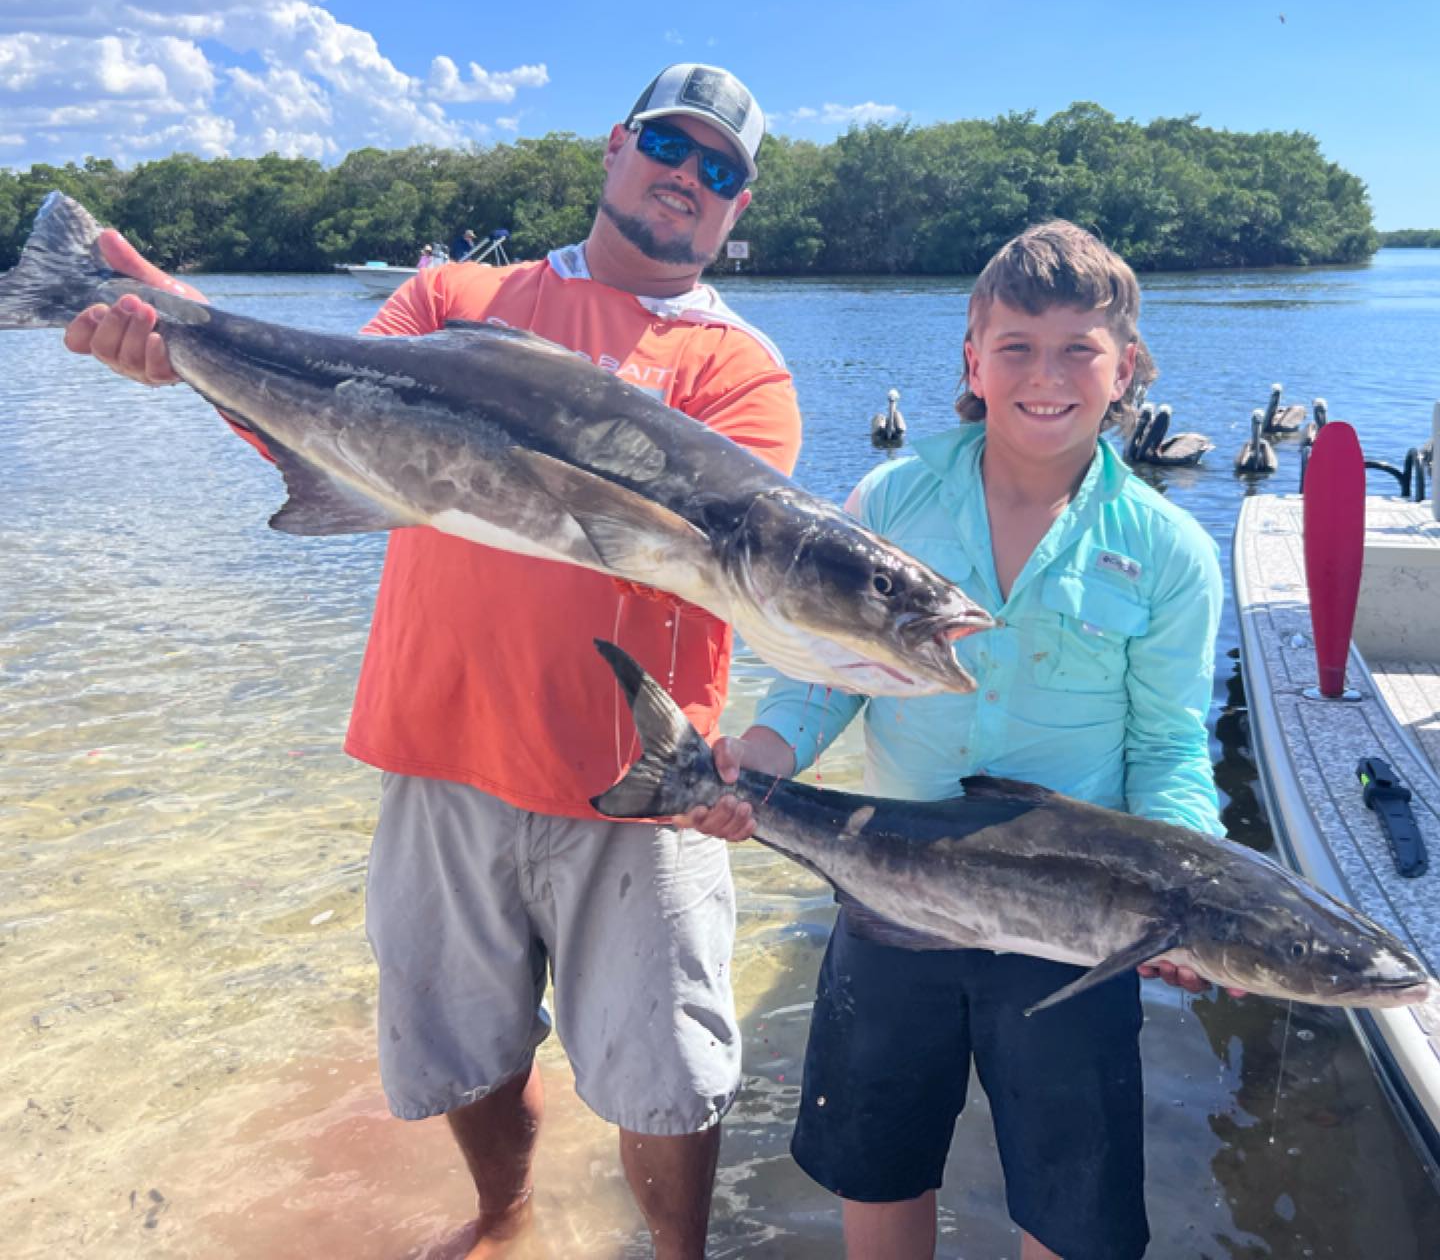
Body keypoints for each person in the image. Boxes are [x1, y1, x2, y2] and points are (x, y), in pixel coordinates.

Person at [61, 62, 800, 1260]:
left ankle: (677, 1257)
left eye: (721, 171)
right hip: (440, 745)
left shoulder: (742, 372)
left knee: (669, 1072)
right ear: (615, 146)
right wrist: (176, 338)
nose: (689, 179)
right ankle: (503, 1217)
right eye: (672, 145)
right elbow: (323, 429)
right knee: (462, 1047)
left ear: (736, 211)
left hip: (641, 782)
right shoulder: (456, 292)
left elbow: (714, 564)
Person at [689, 220, 1236, 1260]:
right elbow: (825, 679)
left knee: (1073, 1205)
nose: (1047, 374)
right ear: (971, 360)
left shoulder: (1169, 552)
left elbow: (1169, 745)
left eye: (1081, 348)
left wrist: (1188, 894)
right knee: (878, 1163)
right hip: (890, 897)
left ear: (1127, 369)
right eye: (1016, 346)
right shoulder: (888, 503)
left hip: (1077, 922)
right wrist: (755, 760)